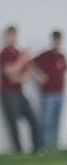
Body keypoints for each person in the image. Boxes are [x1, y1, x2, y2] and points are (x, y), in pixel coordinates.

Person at [1, 25, 41, 154]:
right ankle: (18, 152)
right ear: (6, 37)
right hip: (8, 93)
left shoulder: (18, 53)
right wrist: (21, 60)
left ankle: (37, 150)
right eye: (10, 35)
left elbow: (26, 74)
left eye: (14, 35)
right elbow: (9, 72)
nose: (12, 38)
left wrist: (19, 74)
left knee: (33, 119)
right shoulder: (5, 53)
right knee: (14, 125)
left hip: (19, 92)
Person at [31, 30, 67, 151]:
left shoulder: (62, 57)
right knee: (47, 122)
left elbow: (64, 73)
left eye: (59, 40)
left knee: (56, 122)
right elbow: (30, 63)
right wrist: (39, 76)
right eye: (55, 40)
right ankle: (44, 147)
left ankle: (54, 146)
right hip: (48, 94)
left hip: (60, 94)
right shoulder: (45, 55)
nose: (57, 43)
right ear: (52, 41)